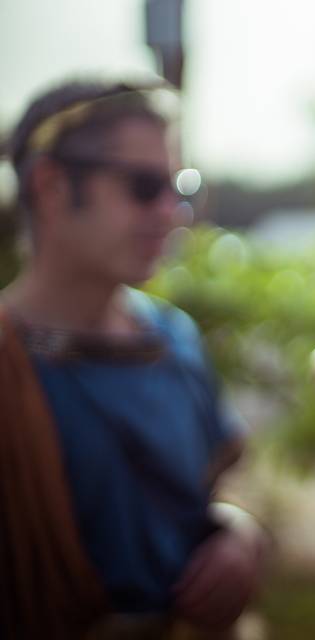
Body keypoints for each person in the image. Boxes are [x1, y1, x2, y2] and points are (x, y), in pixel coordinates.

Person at [0, 79, 268, 638]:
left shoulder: (174, 337)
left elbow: (222, 479)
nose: (172, 214)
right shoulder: (8, 360)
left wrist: (238, 535)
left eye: (180, 186)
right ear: (52, 185)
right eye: (145, 187)